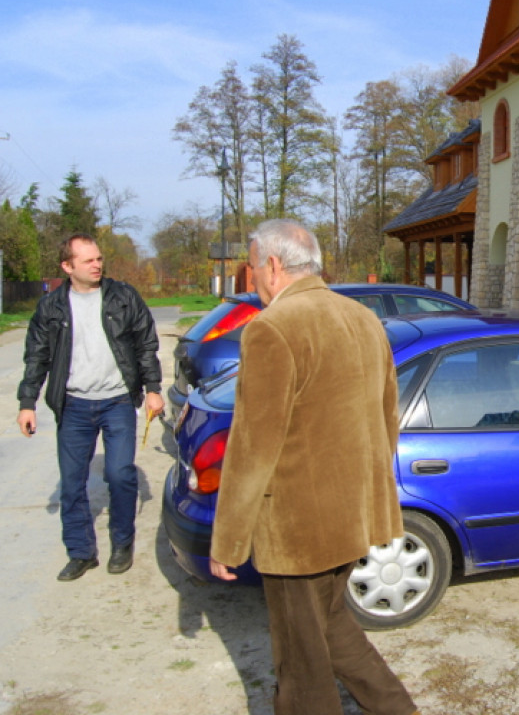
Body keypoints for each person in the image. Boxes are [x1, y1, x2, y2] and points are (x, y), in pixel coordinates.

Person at [208, 220, 418, 715]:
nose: (251, 279)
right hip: (351, 520)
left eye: (253, 268)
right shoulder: (363, 318)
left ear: (274, 266)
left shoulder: (272, 329)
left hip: (297, 533)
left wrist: (228, 540)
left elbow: (251, 449)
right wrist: (374, 503)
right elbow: (388, 419)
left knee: (301, 668)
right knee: (331, 629)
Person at [17, 233, 164, 581]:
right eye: (88, 260)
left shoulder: (124, 297)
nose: (97, 265)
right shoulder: (51, 307)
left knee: (119, 474)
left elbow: (146, 343)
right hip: (74, 406)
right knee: (72, 483)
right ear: (67, 266)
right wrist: (27, 403)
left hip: (117, 402)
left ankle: (121, 545)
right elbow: (36, 357)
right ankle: (81, 553)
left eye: (98, 258)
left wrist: (153, 389)